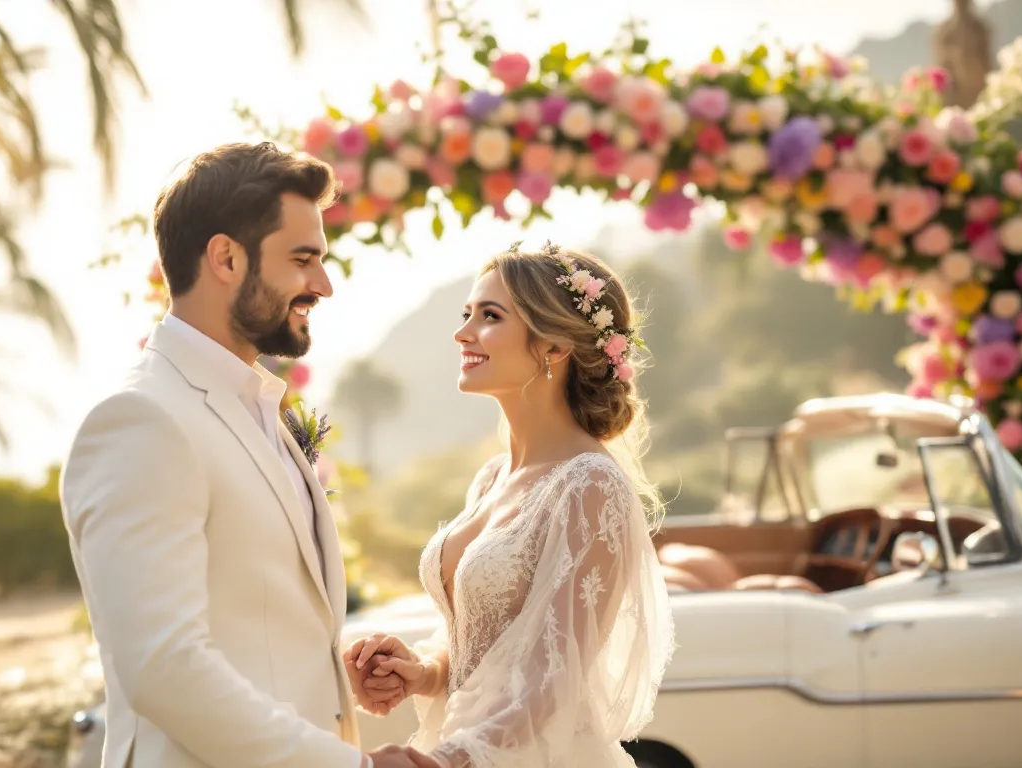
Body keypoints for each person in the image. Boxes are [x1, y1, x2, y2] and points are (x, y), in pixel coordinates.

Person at [60, 142, 438, 768]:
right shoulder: (141, 420)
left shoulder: (259, 408)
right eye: (303, 259)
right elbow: (163, 666)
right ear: (226, 257)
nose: (323, 284)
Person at [343, 243, 675, 767]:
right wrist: (422, 670)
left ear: (554, 347)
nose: (463, 331)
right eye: (467, 313)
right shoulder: (493, 478)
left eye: (490, 316)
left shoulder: (590, 486)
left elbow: (552, 678)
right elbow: (487, 645)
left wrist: (444, 762)